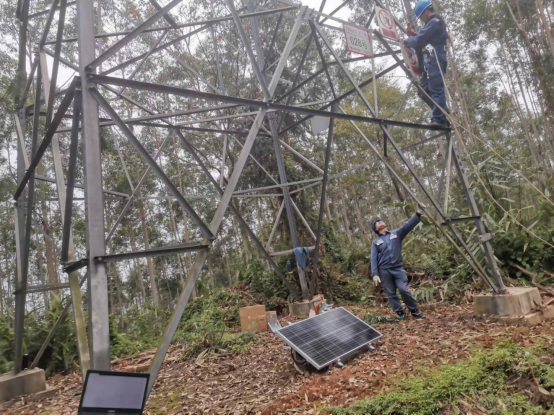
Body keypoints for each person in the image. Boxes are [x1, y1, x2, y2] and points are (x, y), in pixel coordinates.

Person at [403, 0, 450, 128]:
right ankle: (441, 109)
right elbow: (423, 37)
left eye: (421, 17)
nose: (421, 20)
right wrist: (414, 35)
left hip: (436, 60)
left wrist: (408, 41)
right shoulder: (432, 24)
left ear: (426, 12)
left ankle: (439, 118)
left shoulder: (435, 21)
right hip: (429, 61)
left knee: (436, 89)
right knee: (422, 91)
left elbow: (420, 40)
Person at [371, 212, 425, 320]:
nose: (380, 222)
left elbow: (407, 226)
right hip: (384, 270)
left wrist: (417, 215)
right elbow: (373, 258)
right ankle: (399, 312)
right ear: (376, 229)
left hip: (398, 268)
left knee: (403, 289)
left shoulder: (396, 234)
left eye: (381, 220)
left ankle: (414, 310)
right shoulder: (376, 242)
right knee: (391, 293)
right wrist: (375, 274)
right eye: (377, 222)